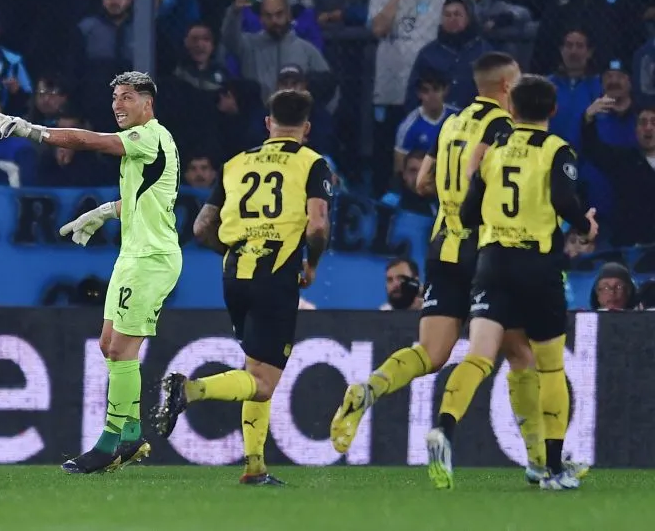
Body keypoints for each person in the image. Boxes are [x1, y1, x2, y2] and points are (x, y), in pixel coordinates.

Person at [329, 53, 585, 482]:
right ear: (507, 88)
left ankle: (368, 388)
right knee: (521, 356)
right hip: (486, 249)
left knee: (430, 353)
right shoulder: (505, 129)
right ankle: (542, 462)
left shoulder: (450, 122)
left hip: (441, 245)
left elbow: (422, 182)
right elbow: (489, 184)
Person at [0, 71, 181, 474]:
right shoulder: (146, 147)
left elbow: (90, 141)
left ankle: (109, 444)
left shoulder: (149, 136)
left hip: (151, 259)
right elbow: (142, 201)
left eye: (127, 97)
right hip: (133, 255)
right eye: (115, 97)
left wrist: (33, 130)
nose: (118, 105)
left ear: (147, 103)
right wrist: (101, 213)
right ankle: (131, 437)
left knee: (121, 350)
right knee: (108, 343)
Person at [152, 89, 333, 486]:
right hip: (276, 274)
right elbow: (317, 223)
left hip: (234, 274)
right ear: (305, 128)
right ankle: (190, 390)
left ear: (268, 124)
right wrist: (312, 264)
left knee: (255, 367)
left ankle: (255, 466)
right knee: (263, 381)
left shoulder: (236, 162)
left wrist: (233, 251)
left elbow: (201, 227)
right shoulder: (311, 162)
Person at [426, 74, 598, 491]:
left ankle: (444, 430)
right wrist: (584, 224)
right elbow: (562, 198)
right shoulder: (557, 149)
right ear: (553, 111)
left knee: (480, 356)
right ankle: (554, 468)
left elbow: (467, 216)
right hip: (537, 266)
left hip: (491, 263)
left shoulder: (491, 152)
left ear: (513, 110)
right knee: (550, 365)